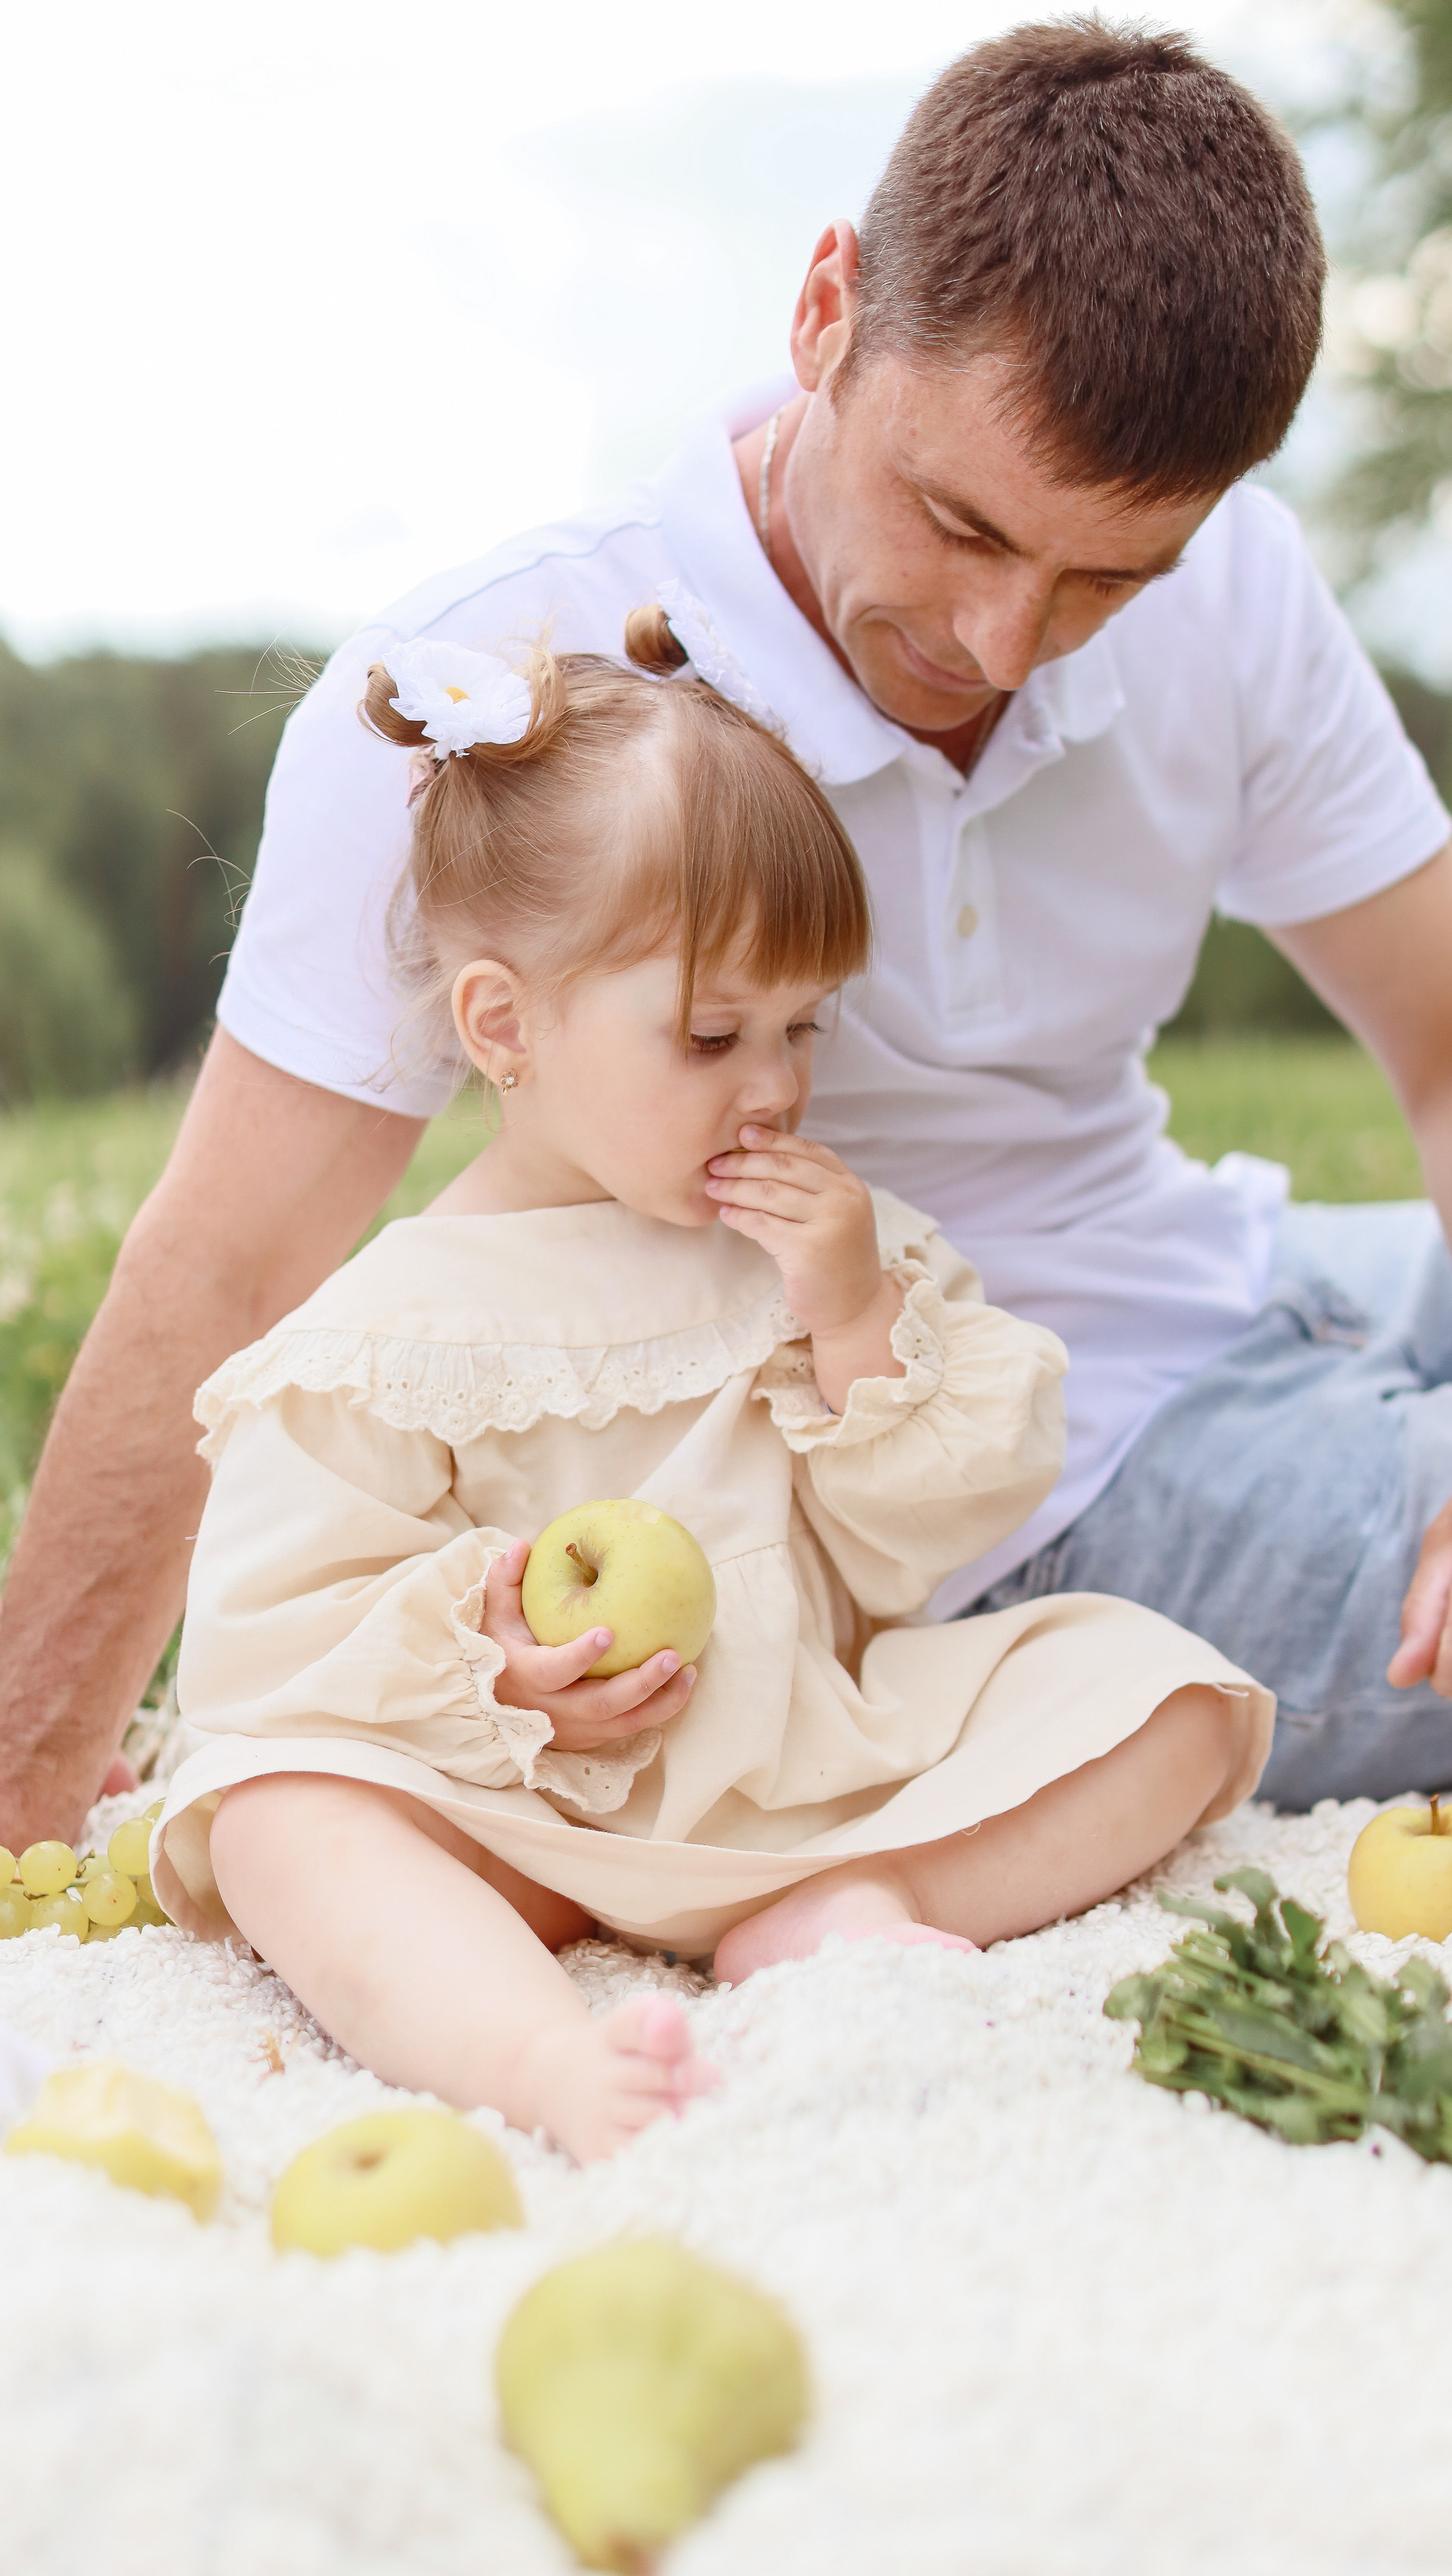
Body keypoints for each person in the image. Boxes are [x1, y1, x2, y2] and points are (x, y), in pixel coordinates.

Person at [0, 20, 1452, 1850]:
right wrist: (24, 1783)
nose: (998, 642)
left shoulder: (1241, 592)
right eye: (958, 521)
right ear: (827, 310)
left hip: (1235, 1261)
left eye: (1106, 579)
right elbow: (231, 1271)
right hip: (980, 1498)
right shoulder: (494, 689)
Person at [152, 629, 1272, 2161]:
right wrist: (485, 1658)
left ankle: (854, 1899)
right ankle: (538, 2054)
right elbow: (268, 1641)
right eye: (710, 1036)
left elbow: (917, 1540)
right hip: (524, 1823)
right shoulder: (394, 1326)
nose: (776, 1087)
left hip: (805, 1774)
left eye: (804, 1027)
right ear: (504, 1026)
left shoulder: (811, 1253)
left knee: (1172, 1698)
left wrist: (855, 1315)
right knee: (279, 1813)